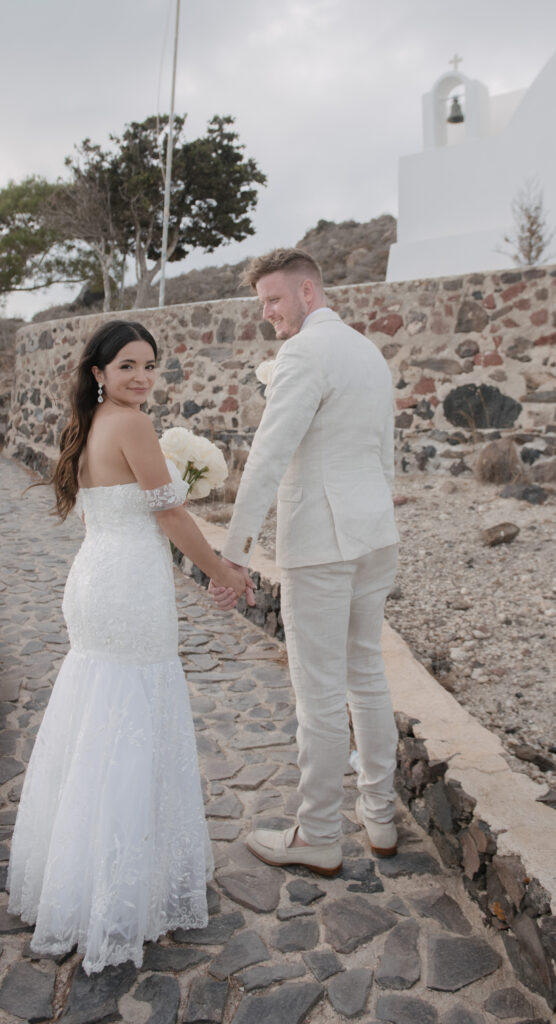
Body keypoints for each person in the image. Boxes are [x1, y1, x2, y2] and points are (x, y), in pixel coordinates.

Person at [7, 319, 248, 974]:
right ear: (99, 373)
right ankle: (114, 892)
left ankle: (73, 878)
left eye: (149, 364)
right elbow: (169, 514)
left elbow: (123, 509)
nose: (141, 376)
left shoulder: (87, 427)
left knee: (97, 716)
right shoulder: (133, 425)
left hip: (94, 577)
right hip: (129, 586)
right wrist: (222, 570)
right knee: (129, 722)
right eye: (127, 366)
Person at [210, 248, 400, 877]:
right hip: (375, 533)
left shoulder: (304, 353)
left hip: (322, 539)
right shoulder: (368, 352)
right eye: (262, 302)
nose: (267, 314)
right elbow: (384, 454)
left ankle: (317, 832)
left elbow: (268, 457)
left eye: (274, 299)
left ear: (309, 292)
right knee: (366, 675)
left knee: (317, 691)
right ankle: (380, 815)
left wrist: (230, 554)